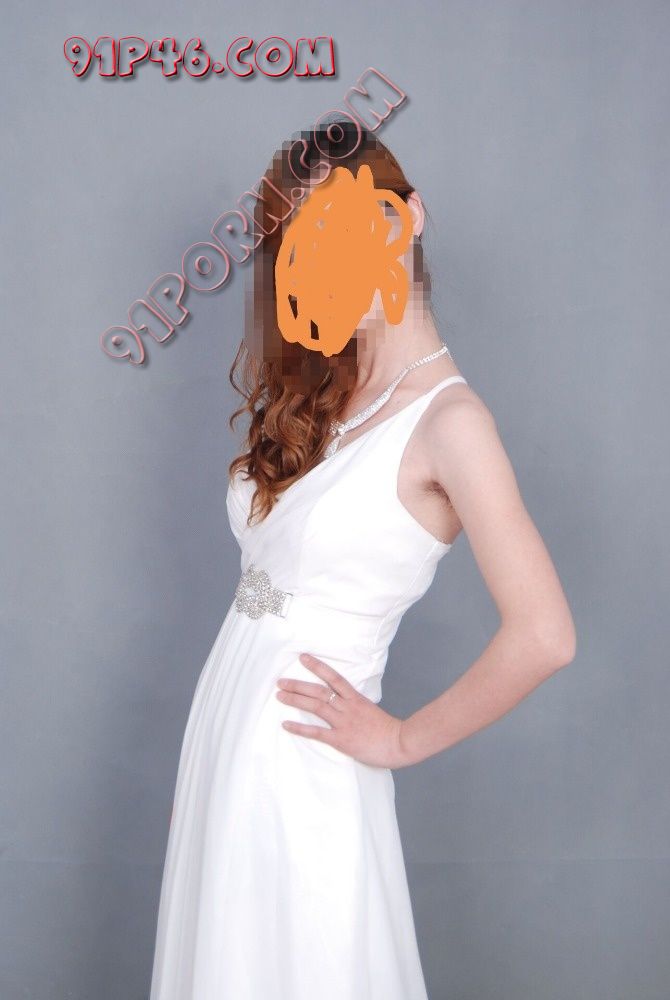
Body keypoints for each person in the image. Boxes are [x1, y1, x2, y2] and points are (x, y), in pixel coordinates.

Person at [149, 121, 576, 1000]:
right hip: (230, 749)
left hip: (305, 770)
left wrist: (403, 738)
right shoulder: (330, 391)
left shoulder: (452, 424)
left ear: (403, 217)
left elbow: (545, 635)